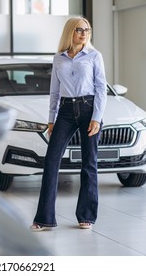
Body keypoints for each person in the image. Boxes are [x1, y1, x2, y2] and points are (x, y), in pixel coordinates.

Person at [30, 17, 107, 231]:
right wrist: (51, 120)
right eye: (79, 30)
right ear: (70, 32)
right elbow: (54, 92)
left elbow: (101, 88)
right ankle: (44, 218)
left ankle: (86, 216)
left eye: (87, 30)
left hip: (88, 107)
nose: (84, 33)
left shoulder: (94, 56)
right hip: (64, 111)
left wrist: (97, 117)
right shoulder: (59, 58)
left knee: (88, 164)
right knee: (51, 161)